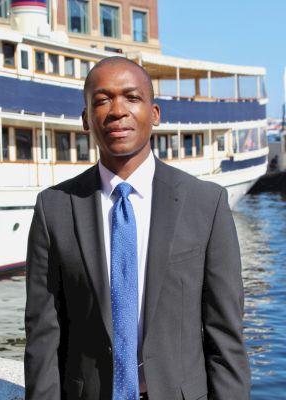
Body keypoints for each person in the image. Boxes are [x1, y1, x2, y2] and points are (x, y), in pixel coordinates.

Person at [24, 56, 251, 400]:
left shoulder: (207, 204)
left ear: (155, 113)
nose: (117, 110)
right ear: (86, 119)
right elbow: (43, 336)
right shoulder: (54, 208)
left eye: (132, 97)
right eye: (102, 100)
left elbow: (225, 334)